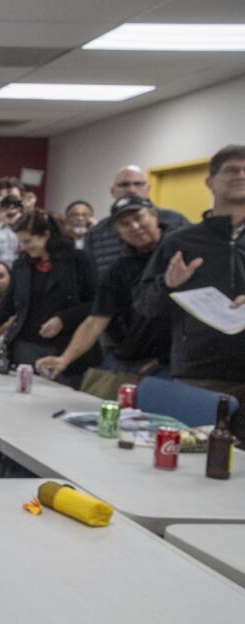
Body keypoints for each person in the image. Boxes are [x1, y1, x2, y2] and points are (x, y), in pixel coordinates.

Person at [135, 145, 245, 436]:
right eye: (232, 169)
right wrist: (168, 285)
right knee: (189, 467)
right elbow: (144, 306)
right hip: (199, 375)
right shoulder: (180, 241)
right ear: (210, 182)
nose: (241, 175)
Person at [36, 196, 172, 386]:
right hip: (129, 360)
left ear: (154, 215)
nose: (134, 226)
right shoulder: (119, 268)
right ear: (118, 232)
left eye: (139, 217)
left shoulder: (180, 248)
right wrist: (64, 359)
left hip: (174, 365)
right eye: (125, 223)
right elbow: (96, 319)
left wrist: (167, 359)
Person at [0, 210, 100, 389]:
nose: (24, 247)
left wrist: (63, 319)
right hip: (25, 349)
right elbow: (7, 308)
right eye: (21, 242)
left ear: (46, 235)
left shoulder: (78, 260)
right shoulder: (22, 264)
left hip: (66, 350)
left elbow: (96, 304)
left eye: (28, 241)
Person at [86, 165, 189, 274]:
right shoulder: (97, 232)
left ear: (148, 188)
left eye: (138, 184)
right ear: (113, 191)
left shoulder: (175, 220)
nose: (132, 190)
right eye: (124, 185)